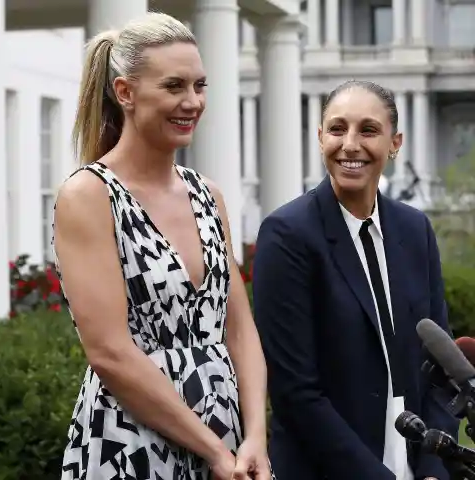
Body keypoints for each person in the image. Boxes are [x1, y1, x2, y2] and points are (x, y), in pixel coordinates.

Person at [53, 12, 272, 480]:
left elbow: (240, 330)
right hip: (130, 447)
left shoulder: (207, 194)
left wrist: (255, 436)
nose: (192, 102)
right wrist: (214, 451)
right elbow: (109, 352)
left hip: (228, 447)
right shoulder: (89, 196)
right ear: (125, 93)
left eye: (200, 85)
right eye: (174, 86)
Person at [252, 80, 459, 480]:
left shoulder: (414, 229)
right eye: (336, 129)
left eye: (367, 130)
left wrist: (434, 467)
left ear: (394, 143)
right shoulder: (287, 234)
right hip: (327, 468)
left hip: (415, 461)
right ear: (320, 137)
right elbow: (295, 392)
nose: (350, 144)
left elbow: (441, 366)